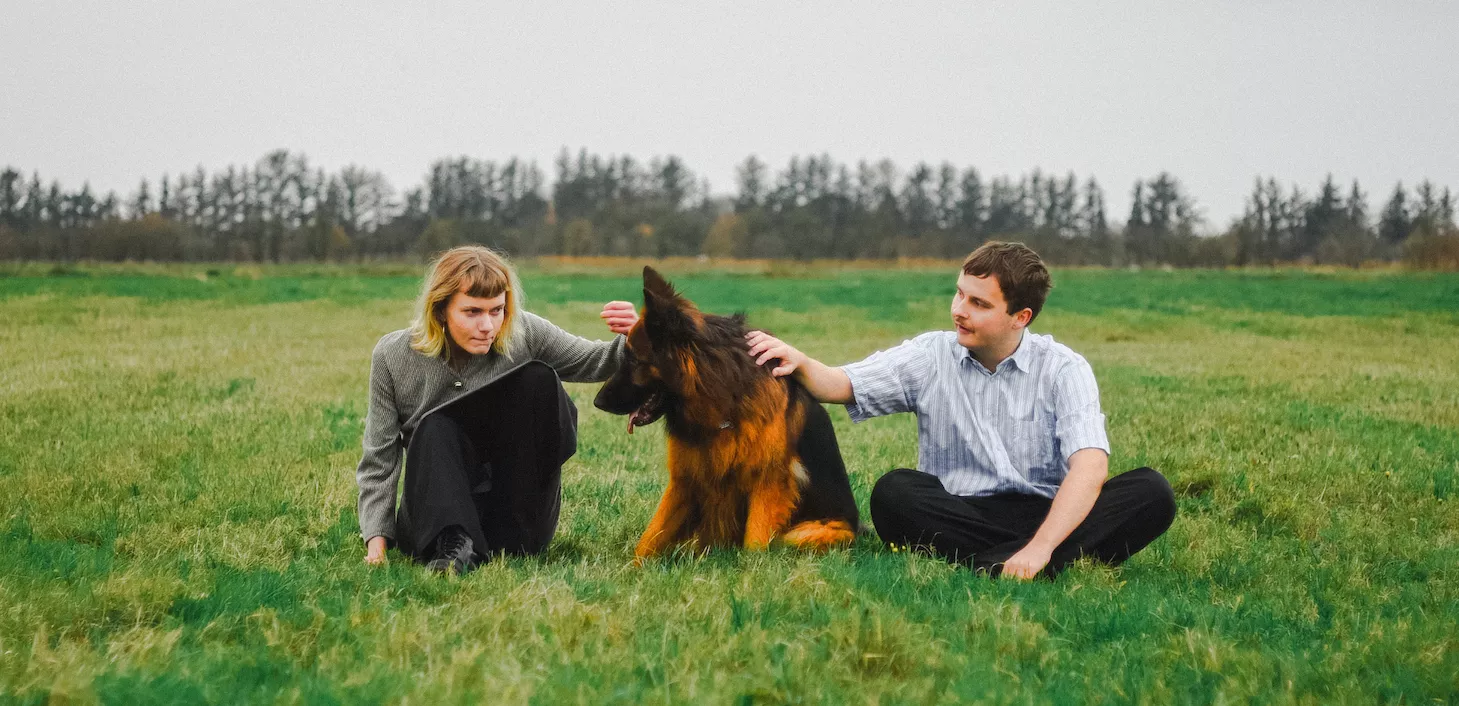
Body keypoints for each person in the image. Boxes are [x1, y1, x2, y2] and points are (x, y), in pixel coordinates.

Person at [745, 242, 1176, 579]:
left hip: (1048, 510)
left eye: (979, 304)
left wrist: (1040, 546)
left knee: (1152, 492)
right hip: (960, 513)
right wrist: (799, 360)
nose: (959, 311)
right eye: (959, 294)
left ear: (1020, 317)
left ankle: (1015, 561)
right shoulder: (932, 354)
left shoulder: (1064, 369)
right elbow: (843, 384)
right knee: (894, 492)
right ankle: (1035, 561)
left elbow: (1089, 469)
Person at [355, 246, 637, 573]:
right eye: (472, 312)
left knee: (537, 379)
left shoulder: (524, 333)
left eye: (497, 310)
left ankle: (508, 537)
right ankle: (456, 546)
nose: (488, 325)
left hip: (515, 517)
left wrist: (639, 334)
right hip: (436, 519)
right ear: (440, 310)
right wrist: (376, 544)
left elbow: (598, 361)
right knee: (435, 426)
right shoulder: (393, 356)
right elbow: (380, 458)